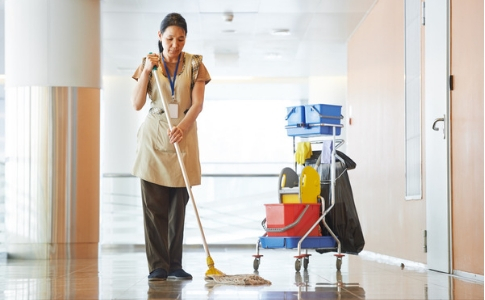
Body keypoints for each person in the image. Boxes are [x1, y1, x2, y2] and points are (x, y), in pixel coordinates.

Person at [131, 12, 211, 281]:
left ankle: (175, 265)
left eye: (180, 39)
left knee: (178, 208)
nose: (175, 44)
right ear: (159, 37)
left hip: (183, 137)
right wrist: (145, 72)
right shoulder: (149, 64)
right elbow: (137, 103)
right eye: (169, 39)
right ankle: (158, 265)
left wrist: (183, 127)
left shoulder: (195, 63)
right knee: (154, 210)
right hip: (155, 138)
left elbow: (197, 104)